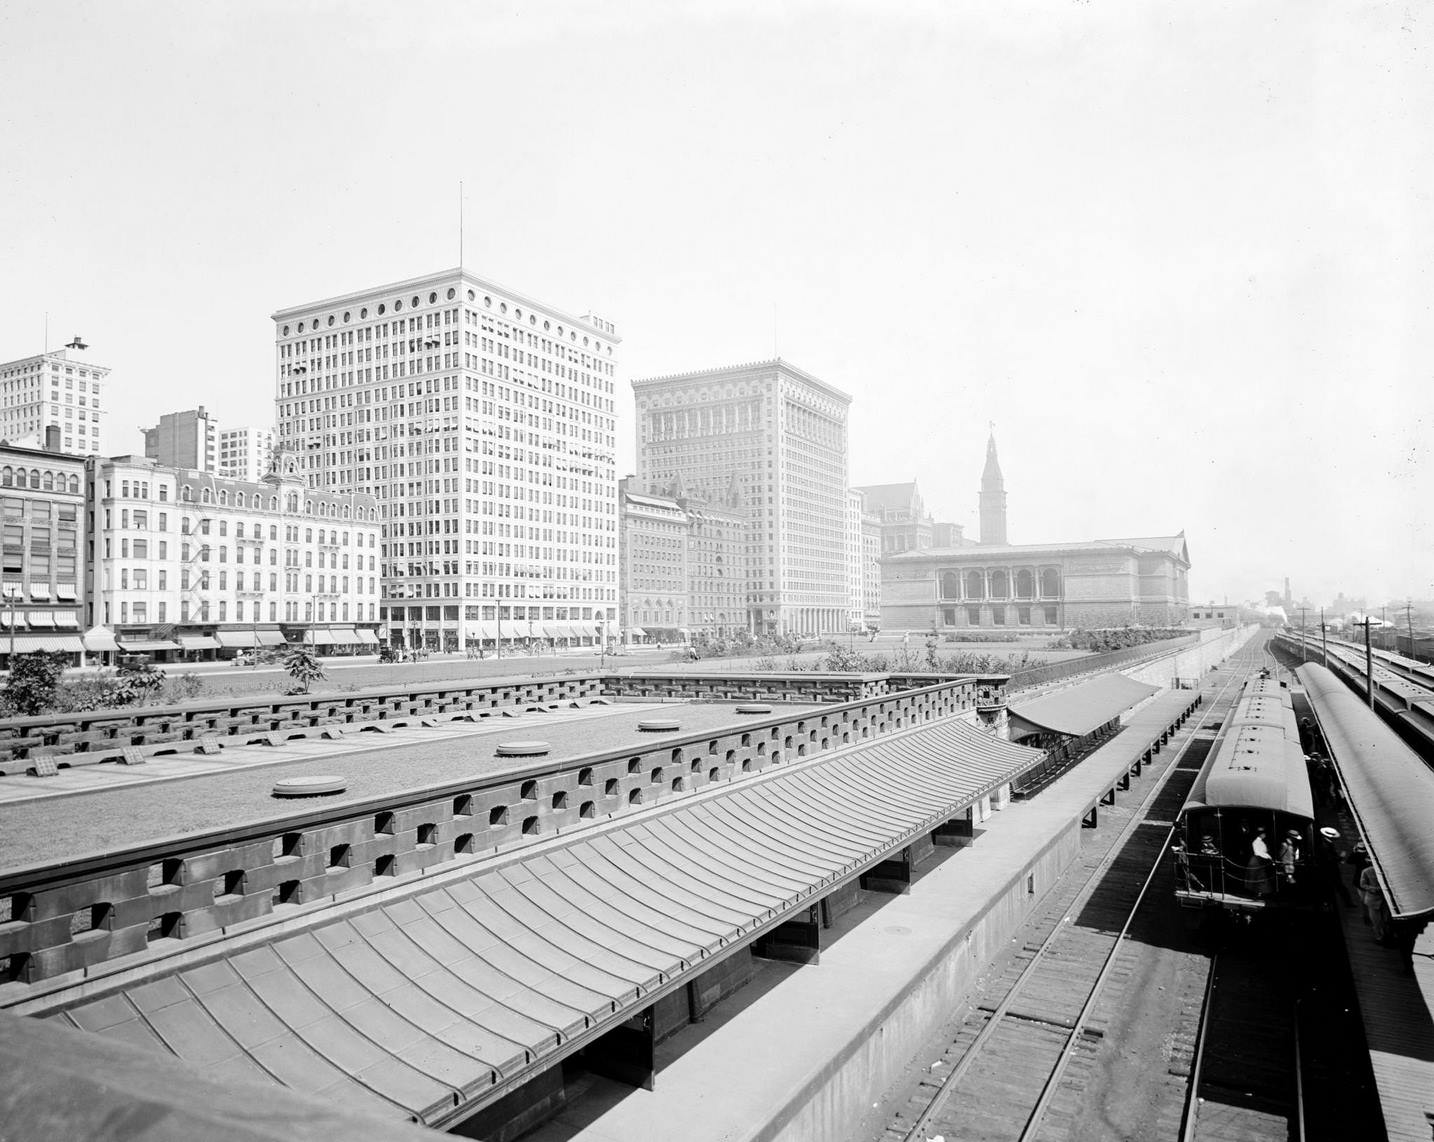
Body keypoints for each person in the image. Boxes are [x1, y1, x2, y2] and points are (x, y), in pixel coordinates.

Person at [1358, 857, 1390, 943]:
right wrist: (1374, 889)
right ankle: (1378, 937)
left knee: (1385, 919)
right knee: (1376, 921)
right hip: (1372, 900)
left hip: (1384, 900)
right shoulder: (1366, 871)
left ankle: (1384, 936)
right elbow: (1363, 884)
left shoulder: (1385, 871)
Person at [1245, 826, 1276, 898]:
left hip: (1261, 861)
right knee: (1258, 877)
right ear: (1260, 834)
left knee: (1262, 877)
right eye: (1263, 833)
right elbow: (1258, 852)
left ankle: (1262, 892)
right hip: (1257, 861)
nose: (1265, 835)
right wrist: (1269, 857)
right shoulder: (1256, 842)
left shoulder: (1262, 842)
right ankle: (1257, 893)